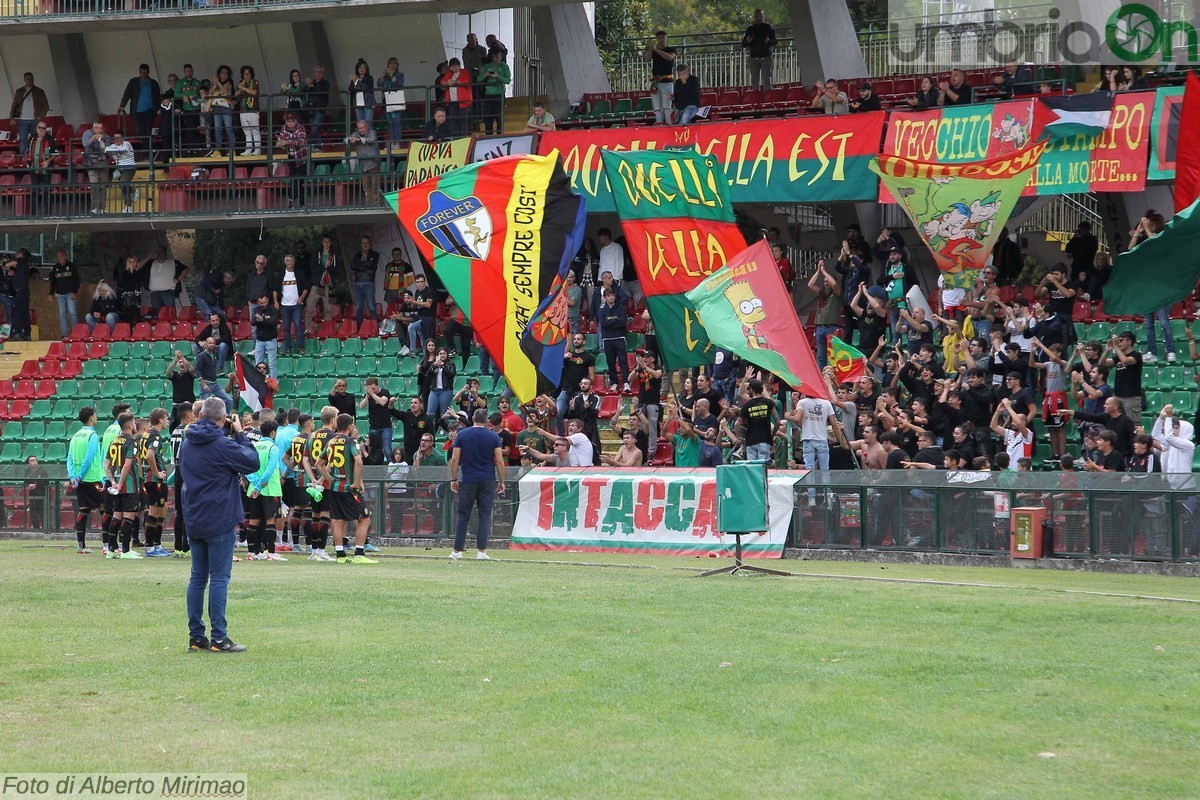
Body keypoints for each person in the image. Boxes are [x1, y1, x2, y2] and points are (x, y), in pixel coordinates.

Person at [179, 397, 260, 652]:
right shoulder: (223, 443)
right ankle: (219, 638)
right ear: (224, 418)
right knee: (219, 579)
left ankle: (196, 636)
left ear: (200, 415)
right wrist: (241, 435)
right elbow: (252, 462)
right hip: (220, 516)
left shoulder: (187, 442)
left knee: (197, 578)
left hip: (194, 515)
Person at [449, 409, 505, 560]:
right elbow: (499, 460)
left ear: (473, 418)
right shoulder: (494, 436)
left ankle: (457, 550)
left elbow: (455, 459)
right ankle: (481, 551)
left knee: (463, 515)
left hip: (468, 479)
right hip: (487, 479)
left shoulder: (462, 434)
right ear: (487, 420)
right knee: (485, 515)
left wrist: (453, 479)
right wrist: (502, 481)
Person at [103, 412, 143, 558]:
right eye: (133, 422)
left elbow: (106, 464)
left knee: (116, 516)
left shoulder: (114, 441)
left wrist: (113, 481)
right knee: (129, 517)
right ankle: (125, 550)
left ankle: (111, 550)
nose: (135, 424)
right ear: (130, 424)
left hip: (117, 485)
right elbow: (127, 465)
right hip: (129, 485)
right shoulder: (131, 441)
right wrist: (120, 484)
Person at [66, 407, 105, 554]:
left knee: (83, 510)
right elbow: (89, 458)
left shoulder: (76, 435)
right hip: (93, 478)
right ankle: (107, 545)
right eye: (95, 415)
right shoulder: (92, 435)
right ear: (91, 417)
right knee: (105, 509)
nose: (96, 417)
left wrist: (73, 477)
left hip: (79, 481)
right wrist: (80, 475)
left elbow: (69, 458)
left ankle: (81, 546)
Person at [140, 407, 172, 557]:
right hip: (155, 479)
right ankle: (150, 547)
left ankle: (157, 545)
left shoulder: (146, 434)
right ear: (160, 419)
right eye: (166, 418)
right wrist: (157, 472)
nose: (168, 421)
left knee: (162, 507)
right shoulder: (155, 436)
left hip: (150, 479)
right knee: (154, 510)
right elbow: (149, 455)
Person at [117, 64, 162, 154]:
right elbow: (127, 94)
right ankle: (148, 149)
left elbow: (158, 97)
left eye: (145, 72)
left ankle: (146, 152)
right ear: (139, 72)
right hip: (137, 111)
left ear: (148, 72)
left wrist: (155, 108)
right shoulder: (133, 82)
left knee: (148, 132)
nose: (143, 74)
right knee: (139, 131)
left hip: (150, 111)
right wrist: (122, 105)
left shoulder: (154, 83)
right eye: (141, 72)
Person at [9, 72, 49, 156]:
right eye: (27, 79)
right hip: (22, 120)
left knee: (36, 140)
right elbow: (14, 105)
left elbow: (46, 106)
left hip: (35, 120)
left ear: (33, 79)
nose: (29, 80)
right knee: (23, 141)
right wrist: (12, 118)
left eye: (31, 78)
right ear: (24, 80)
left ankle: (36, 157)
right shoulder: (19, 91)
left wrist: (40, 117)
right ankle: (23, 160)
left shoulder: (39, 91)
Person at [598, 288, 629, 392]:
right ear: (605, 297)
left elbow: (623, 322)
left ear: (615, 296)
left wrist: (610, 321)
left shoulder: (621, 308)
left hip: (620, 338)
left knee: (623, 362)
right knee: (610, 363)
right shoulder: (602, 310)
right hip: (607, 340)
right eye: (608, 295)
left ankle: (626, 383)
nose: (611, 297)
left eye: (612, 295)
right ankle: (614, 382)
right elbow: (603, 323)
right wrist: (615, 320)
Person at [275, 113, 309, 209]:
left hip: (302, 157)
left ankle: (291, 199)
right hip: (291, 157)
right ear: (286, 122)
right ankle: (302, 204)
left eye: (292, 121)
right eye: (288, 121)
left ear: (295, 121)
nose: (290, 123)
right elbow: (281, 139)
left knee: (299, 181)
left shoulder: (301, 127)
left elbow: (301, 140)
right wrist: (279, 143)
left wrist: (288, 142)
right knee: (294, 181)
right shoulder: (284, 128)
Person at [644, 31, 677, 124]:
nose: (662, 39)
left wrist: (656, 50)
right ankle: (659, 125)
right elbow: (646, 59)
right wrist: (650, 49)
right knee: (657, 108)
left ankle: (669, 125)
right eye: (659, 38)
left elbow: (670, 57)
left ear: (666, 38)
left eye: (663, 37)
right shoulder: (654, 50)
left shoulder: (671, 49)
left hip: (667, 81)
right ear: (657, 39)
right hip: (655, 81)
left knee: (667, 107)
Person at [47, 248, 80, 339]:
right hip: (60, 294)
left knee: (72, 312)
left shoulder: (71, 266)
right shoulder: (56, 267)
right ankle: (64, 334)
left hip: (70, 293)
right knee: (62, 314)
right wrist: (51, 293)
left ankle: (75, 332)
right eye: (58, 257)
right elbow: (53, 282)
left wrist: (74, 291)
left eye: (61, 256)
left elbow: (76, 280)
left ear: (65, 256)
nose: (59, 258)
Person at [741, 9, 777, 91]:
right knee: (754, 80)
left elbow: (775, 41)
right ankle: (756, 98)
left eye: (761, 16)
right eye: (757, 16)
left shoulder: (768, 27)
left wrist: (768, 42)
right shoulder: (750, 29)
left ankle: (768, 98)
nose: (759, 18)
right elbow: (743, 44)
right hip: (753, 57)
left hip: (766, 57)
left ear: (763, 16)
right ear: (754, 17)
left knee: (766, 78)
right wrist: (748, 41)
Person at [278, 254, 307, 355]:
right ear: (285, 262)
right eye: (287, 261)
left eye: (291, 261)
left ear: (294, 262)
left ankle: (301, 347)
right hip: (284, 305)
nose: (289, 263)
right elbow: (275, 289)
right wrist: (276, 301)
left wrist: (301, 298)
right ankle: (288, 348)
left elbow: (306, 288)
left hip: (296, 305)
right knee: (286, 327)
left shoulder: (299, 274)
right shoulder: (281, 274)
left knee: (298, 325)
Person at [349, 234, 380, 327]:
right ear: (361, 244)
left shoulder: (375, 254)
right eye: (363, 243)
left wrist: (359, 265)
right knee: (359, 307)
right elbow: (352, 266)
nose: (365, 245)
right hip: (358, 283)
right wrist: (365, 265)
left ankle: (375, 328)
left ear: (370, 244)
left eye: (367, 243)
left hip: (369, 283)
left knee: (371, 306)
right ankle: (359, 329)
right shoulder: (358, 254)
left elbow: (372, 266)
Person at [196, 336, 233, 414]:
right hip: (206, 384)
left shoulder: (215, 353)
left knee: (228, 400)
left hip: (215, 383)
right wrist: (204, 384)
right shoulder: (202, 355)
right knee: (203, 407)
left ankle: (225, 417)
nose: (212, 345)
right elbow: (197, 370)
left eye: (213, 343)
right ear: (206, 344)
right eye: (210, 343)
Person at [478, 50, 511, 136]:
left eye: (498, 57)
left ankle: (499, 135)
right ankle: (488, 136)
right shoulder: (487, 66)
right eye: (494, 57)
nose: (496, 59)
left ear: (501, 57)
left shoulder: (504, 67)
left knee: (499, 117)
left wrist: (498, 76)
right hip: (488, 95)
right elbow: (479, 79)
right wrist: (486, 75)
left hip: (499, 94)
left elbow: (507, 80)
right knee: (488, 117)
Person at [437, 58, 473, 135]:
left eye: (456, 66)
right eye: (452, 67)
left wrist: (457, 82)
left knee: (463, 119)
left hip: (464, 101)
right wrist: (447, 83)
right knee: (454, 120)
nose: (454, 68)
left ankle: (464, 137)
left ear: (459, 65)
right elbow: (442, 82)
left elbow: (467, 81)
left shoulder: (464, 72)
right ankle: (456, 137)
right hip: (453, 101)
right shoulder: (450, 73)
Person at [81, 122, 110, 215]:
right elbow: (85, 143)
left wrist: (102, 140)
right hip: (91, 162)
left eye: (101, 128)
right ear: (93, 128)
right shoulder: (87, 133)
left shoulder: (105, 135)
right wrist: (94, 137)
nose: (99, 130)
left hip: (103, 162)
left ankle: (102, 207)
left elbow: (109, 148)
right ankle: (94, 207)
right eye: (97, 128)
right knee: (94, 186)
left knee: (102, 186)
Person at [104, 132, 137, 214]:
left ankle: (134, 190)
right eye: (115, 138)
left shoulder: (127, 143)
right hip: (119, 169)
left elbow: (124, 149)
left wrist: (114, 151)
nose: (117, 139)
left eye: (119, 137)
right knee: (123, 187)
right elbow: (106, 150)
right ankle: (128, 207)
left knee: (123, 184)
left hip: (129, 167)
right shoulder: (112, 145)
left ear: (123, 138)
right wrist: (116, 150)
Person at [377, 57, 406, 144]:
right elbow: (378, 84)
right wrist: (382, 76)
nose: (392, 65)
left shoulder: (400, 74)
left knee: (396, 121)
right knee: (390, 122)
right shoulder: (385, 75)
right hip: (386, 101)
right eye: (390, 63)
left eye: (394, 63)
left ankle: (397, 141)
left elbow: (399, 84)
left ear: (397, 65)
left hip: (396, 100)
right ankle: (392, 141)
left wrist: (392, 75)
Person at [251, 291, 279, 379]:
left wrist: (262, 319)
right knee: (258, 364)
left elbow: (273, 322)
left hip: (271, 339)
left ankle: (274, 383)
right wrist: (257, 319)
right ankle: (258, 383)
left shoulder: (273, 310)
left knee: (272, 364)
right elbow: (252, 322)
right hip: (259, 340)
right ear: (258, 302)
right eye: (261, 303)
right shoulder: (256, 309)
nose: (263, 304)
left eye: (265, 302)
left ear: (268, 300)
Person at [234, 65, 261, 156]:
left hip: (253, 110)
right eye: (244, 74)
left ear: (251, 74)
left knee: (255, 130)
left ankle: (257, 149)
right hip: (243, 110)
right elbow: (236, 94)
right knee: (247, 132)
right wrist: (240, 88)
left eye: (248, 74)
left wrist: (244, 88)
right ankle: (248, 150)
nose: (246, 75)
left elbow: (254, 92)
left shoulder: (255, 82)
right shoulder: (241, 82)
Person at [348, 59, 376, 124]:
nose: (362, 69)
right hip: (358, 104)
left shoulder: (369, 78)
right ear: (357, 69)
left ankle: (369, 134)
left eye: (364, 67)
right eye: (360, 67)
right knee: (360, 125)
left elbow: (365, 88)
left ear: (366, 69)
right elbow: (350, 88)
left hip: (368, 104)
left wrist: (357, 81)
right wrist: (355, 82)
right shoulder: (354, 78)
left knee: (368, 124)